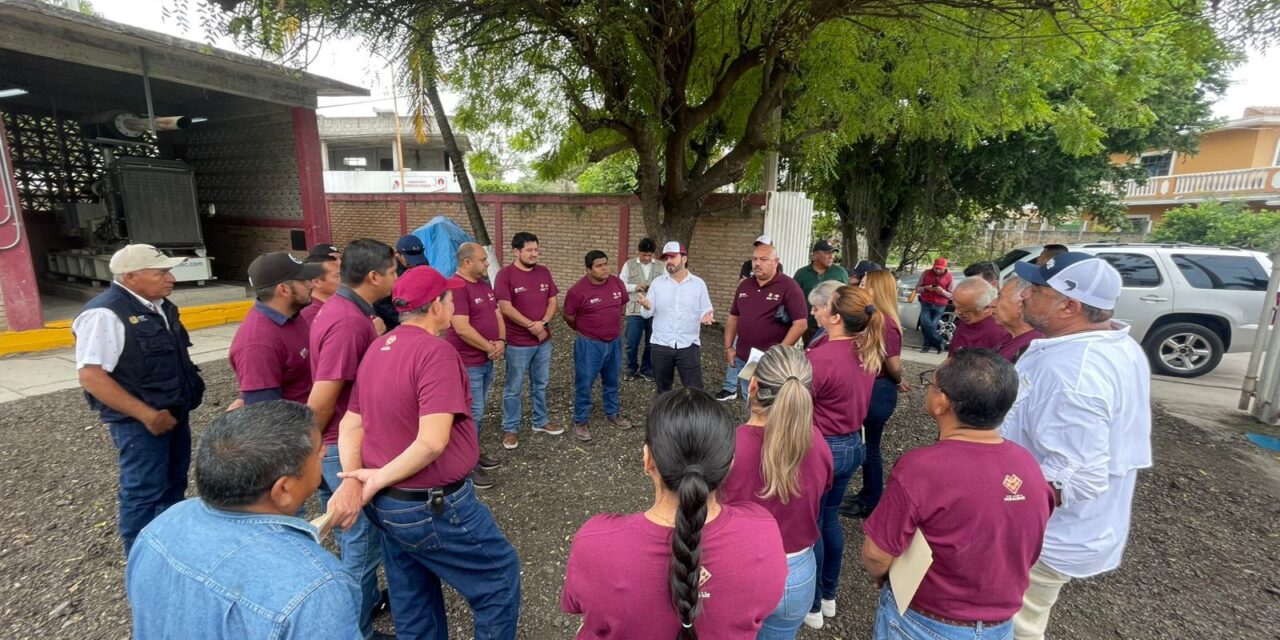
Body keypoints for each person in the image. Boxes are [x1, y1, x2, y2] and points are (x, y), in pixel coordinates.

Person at [337, 266, 522, 640]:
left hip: (386, 506)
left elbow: (350, 425)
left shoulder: (378, 347)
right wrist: (371, 479)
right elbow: (431, 442)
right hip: (430, 505)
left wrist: (353, 478)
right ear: (437, 306)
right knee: (498, 579)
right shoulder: (436, 352)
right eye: (450, 299)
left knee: (412, 591)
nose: (453, 305)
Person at [1003, 253, 1152, 640]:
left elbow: (1078, 476)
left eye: (1035, 290)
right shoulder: (1109, 344)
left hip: (1044, 537)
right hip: (1055, 531)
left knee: (1014, 625)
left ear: (1070, 306)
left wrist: (997, 506)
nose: (1023, 297)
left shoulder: (1074, 371)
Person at [562, 389, 788, 638]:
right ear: (730, 463)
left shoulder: (596, 544)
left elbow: (575, 605)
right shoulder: (763, 534)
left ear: (648, 459)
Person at [126, 401, 361, 639]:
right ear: (283, 490)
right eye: (318, 449)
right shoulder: (316, 587)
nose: (323, 452)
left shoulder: (161, 526)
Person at [862, 350, 1055, 640]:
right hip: (999, 626)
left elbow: (877, 554)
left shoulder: (921, 468)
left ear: (942, 402)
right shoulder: (1029, 465)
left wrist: (886, 577)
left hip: (923, 621)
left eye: (931, 382)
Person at [73, 244, 205, 557]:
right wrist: (147, 415)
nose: (170, 278)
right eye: (160, 272)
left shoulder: (160, 305)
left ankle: (169, 550)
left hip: (173, 415)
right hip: (139, 424)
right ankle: (140, 560)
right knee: (143, 491)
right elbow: (91, 377)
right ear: (131, 276)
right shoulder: (105, 314)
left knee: (173, 484)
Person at [306, 238, 395, 637]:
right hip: (341, 450)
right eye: (393, 271)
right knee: (361, 546)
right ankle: (354, 629)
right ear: (374, 276)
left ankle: (362, 606)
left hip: (336, 446)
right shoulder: (344, 321)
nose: (397, 277)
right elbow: (324, 396)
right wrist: (314, 445)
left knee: (347, 538)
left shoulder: (349, 311)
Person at [719, 346, 833, 638]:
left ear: (753, 385)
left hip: (738, 568)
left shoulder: (727, 447)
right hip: (796, 572)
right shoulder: (818, 443)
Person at [804, 284, 882, 629]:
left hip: (823, 448)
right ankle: (829, 595)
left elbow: (798, 406)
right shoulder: (866, 350)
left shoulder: (820, 358)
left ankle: (813, 602)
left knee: (812, 526)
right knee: (830, 519)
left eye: (823, 309)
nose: (817, 312)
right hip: (852, 445)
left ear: (835, 317)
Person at [841, 270, 910, 520]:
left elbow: (892, 364)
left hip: (879, 391)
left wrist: (900, 380)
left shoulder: (886, 323)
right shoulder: (875, 318)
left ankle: (871, 499)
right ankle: (867, 494)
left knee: (870, 447)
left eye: (865, 284)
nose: (860, 286)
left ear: (877, 290)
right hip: (873, 387)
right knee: (866, 444)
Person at [495, 231, 562, 450]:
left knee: (540, 383)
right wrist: (531, 326)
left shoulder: (543, 272)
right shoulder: (505, 275)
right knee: (513, 387)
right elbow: (505, 308)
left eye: (536, 249)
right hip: (517, 343)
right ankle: (511, 428)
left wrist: (542, 323)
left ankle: (540, 421)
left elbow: (553, 301)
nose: (535, 254)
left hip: (543, 341)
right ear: (516, 251)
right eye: (530, 250)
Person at [725, 242, 808, 415]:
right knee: (750, 402)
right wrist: (728, 347)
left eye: (763, 259)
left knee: (772, 408)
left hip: (771, 362)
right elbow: (733, 317)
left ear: (775, 262)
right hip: (746, 359)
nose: (757, 263)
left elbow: (800, 324)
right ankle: (752, 434)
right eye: (754, 259)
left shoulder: (789, 287)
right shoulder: (745, 285)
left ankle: (771, 440)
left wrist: (778, 352)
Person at [446, 242, 505, 488]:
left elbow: (497, 313)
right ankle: (467, 464)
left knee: (478, 411)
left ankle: (473, 452)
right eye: (483, 260)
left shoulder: (482, 283)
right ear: (467, 262)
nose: (487, 263)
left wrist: (501, 340)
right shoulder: (456, 287)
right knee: (472, 413)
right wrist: (490, 347)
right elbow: (461, 328)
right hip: (467, 362)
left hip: (485, 359)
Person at [229, 252, 322, 406]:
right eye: (304, 280)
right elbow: (266, 415)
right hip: (298, 427)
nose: (310, 284)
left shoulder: (293, 315)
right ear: (284, 290)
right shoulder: (258, 344)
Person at [563, 250, 632, 441]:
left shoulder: (617, 283)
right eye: (599, 266)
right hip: (589, 345)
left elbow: (622, 305)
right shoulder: (578, 291)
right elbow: (568, 316)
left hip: (614, 342)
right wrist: (586, 330)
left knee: (612, 380)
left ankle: (613, 413)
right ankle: (581, 420)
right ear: (588, 269)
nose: (604, 268)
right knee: (584, 383)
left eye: (606, 264)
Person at [636, 241, 715, 395]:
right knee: (663, 391)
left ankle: (694, 418)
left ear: (684, 258)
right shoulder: (658, 284)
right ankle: (663, 418)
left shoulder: (698, 284)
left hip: (688, 345)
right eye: (666, 259)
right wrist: (645, 306)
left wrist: (706, 315)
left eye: (672, 257)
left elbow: (706, 308)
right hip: (661, 345)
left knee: (695, 391)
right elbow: (647, 313)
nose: (668, 262)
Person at [720, 234, 776, 401]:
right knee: (738, 356)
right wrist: (727, 347)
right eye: (757, 245)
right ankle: (732, 388)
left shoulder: (779, 269)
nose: (759, 262)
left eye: (764, 246)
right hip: (745, 329)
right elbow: (743, 284)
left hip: (767, 342)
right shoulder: (747, 264)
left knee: (765, 386)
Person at [793, 240, 850, 342]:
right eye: (827, 253)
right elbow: (794, 299)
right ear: (815, 255)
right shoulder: (801, 274)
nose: (831, 256)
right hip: (810, 325)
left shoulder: (840, 273)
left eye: (832, 253)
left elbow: (847, 298)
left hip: (834, 325)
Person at [620, 237, 659, 381]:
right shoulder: (629, 264)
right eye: (644, 255)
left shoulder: (662, 266)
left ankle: (646, 369)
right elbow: (621, 284)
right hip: (634, 310)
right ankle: (631, 368)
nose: (647, 258)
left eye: (650, 255)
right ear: (639, 252)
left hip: (654, 311)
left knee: (652, 342)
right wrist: (635, 287)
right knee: (632, 341)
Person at [950, 276, 1010, 355]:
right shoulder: (965, 322)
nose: (957, 312)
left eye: (967, 312)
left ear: (986, 308)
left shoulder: (998, 332)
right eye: (956, 307)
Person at [993, 277, 1043, 363]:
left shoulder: (1031, 348)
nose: (993, 304)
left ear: (1021, 306)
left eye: (999, 297)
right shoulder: (1010, 336)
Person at [916, 257, 953, 354]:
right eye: (936, 268)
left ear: (945, 267)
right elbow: (917, 289)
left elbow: (952, 295)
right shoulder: (925, 273)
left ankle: (926, 346)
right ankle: (940, 342)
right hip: (926, 302)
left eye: (940, 268)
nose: (937, 270)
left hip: (940, 304)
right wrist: (926, 288)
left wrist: (942, 291)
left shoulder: (949, 276)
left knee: (932, 325)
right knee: (925, 323)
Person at [301, 253, 341, 325]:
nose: (343, 279)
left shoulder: (334, 306)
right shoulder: (311, 315)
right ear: (317, 282)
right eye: (337, 276)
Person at [804, 281, 845, 351]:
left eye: (815, 308)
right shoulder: (824, 330)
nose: (811, 313)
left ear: (831, 308)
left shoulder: (835, 339)